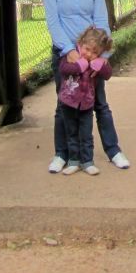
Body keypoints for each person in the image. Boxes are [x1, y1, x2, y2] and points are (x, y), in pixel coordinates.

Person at [43, 0, 130, 173]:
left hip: (92, 54)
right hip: (66, 54)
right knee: (64, 104)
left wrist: (101, 57)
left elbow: (101, 19)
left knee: (100, 103)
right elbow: (53, 21)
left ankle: (113, 151)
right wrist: (69, 50)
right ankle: (62, 154)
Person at [57, 26, 113, 176]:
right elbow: (63, 70)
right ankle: (74, 161)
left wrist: (102, 63)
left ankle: (87, 162)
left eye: (94, 52)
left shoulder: (96, 60)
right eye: (87, 49)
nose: (89, 54)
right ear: (80, 43)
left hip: (87, 105)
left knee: (86, 135)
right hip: (68, 103)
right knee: (72, 133)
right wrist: (77, 66)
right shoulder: (71, 57)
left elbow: (108, 74)